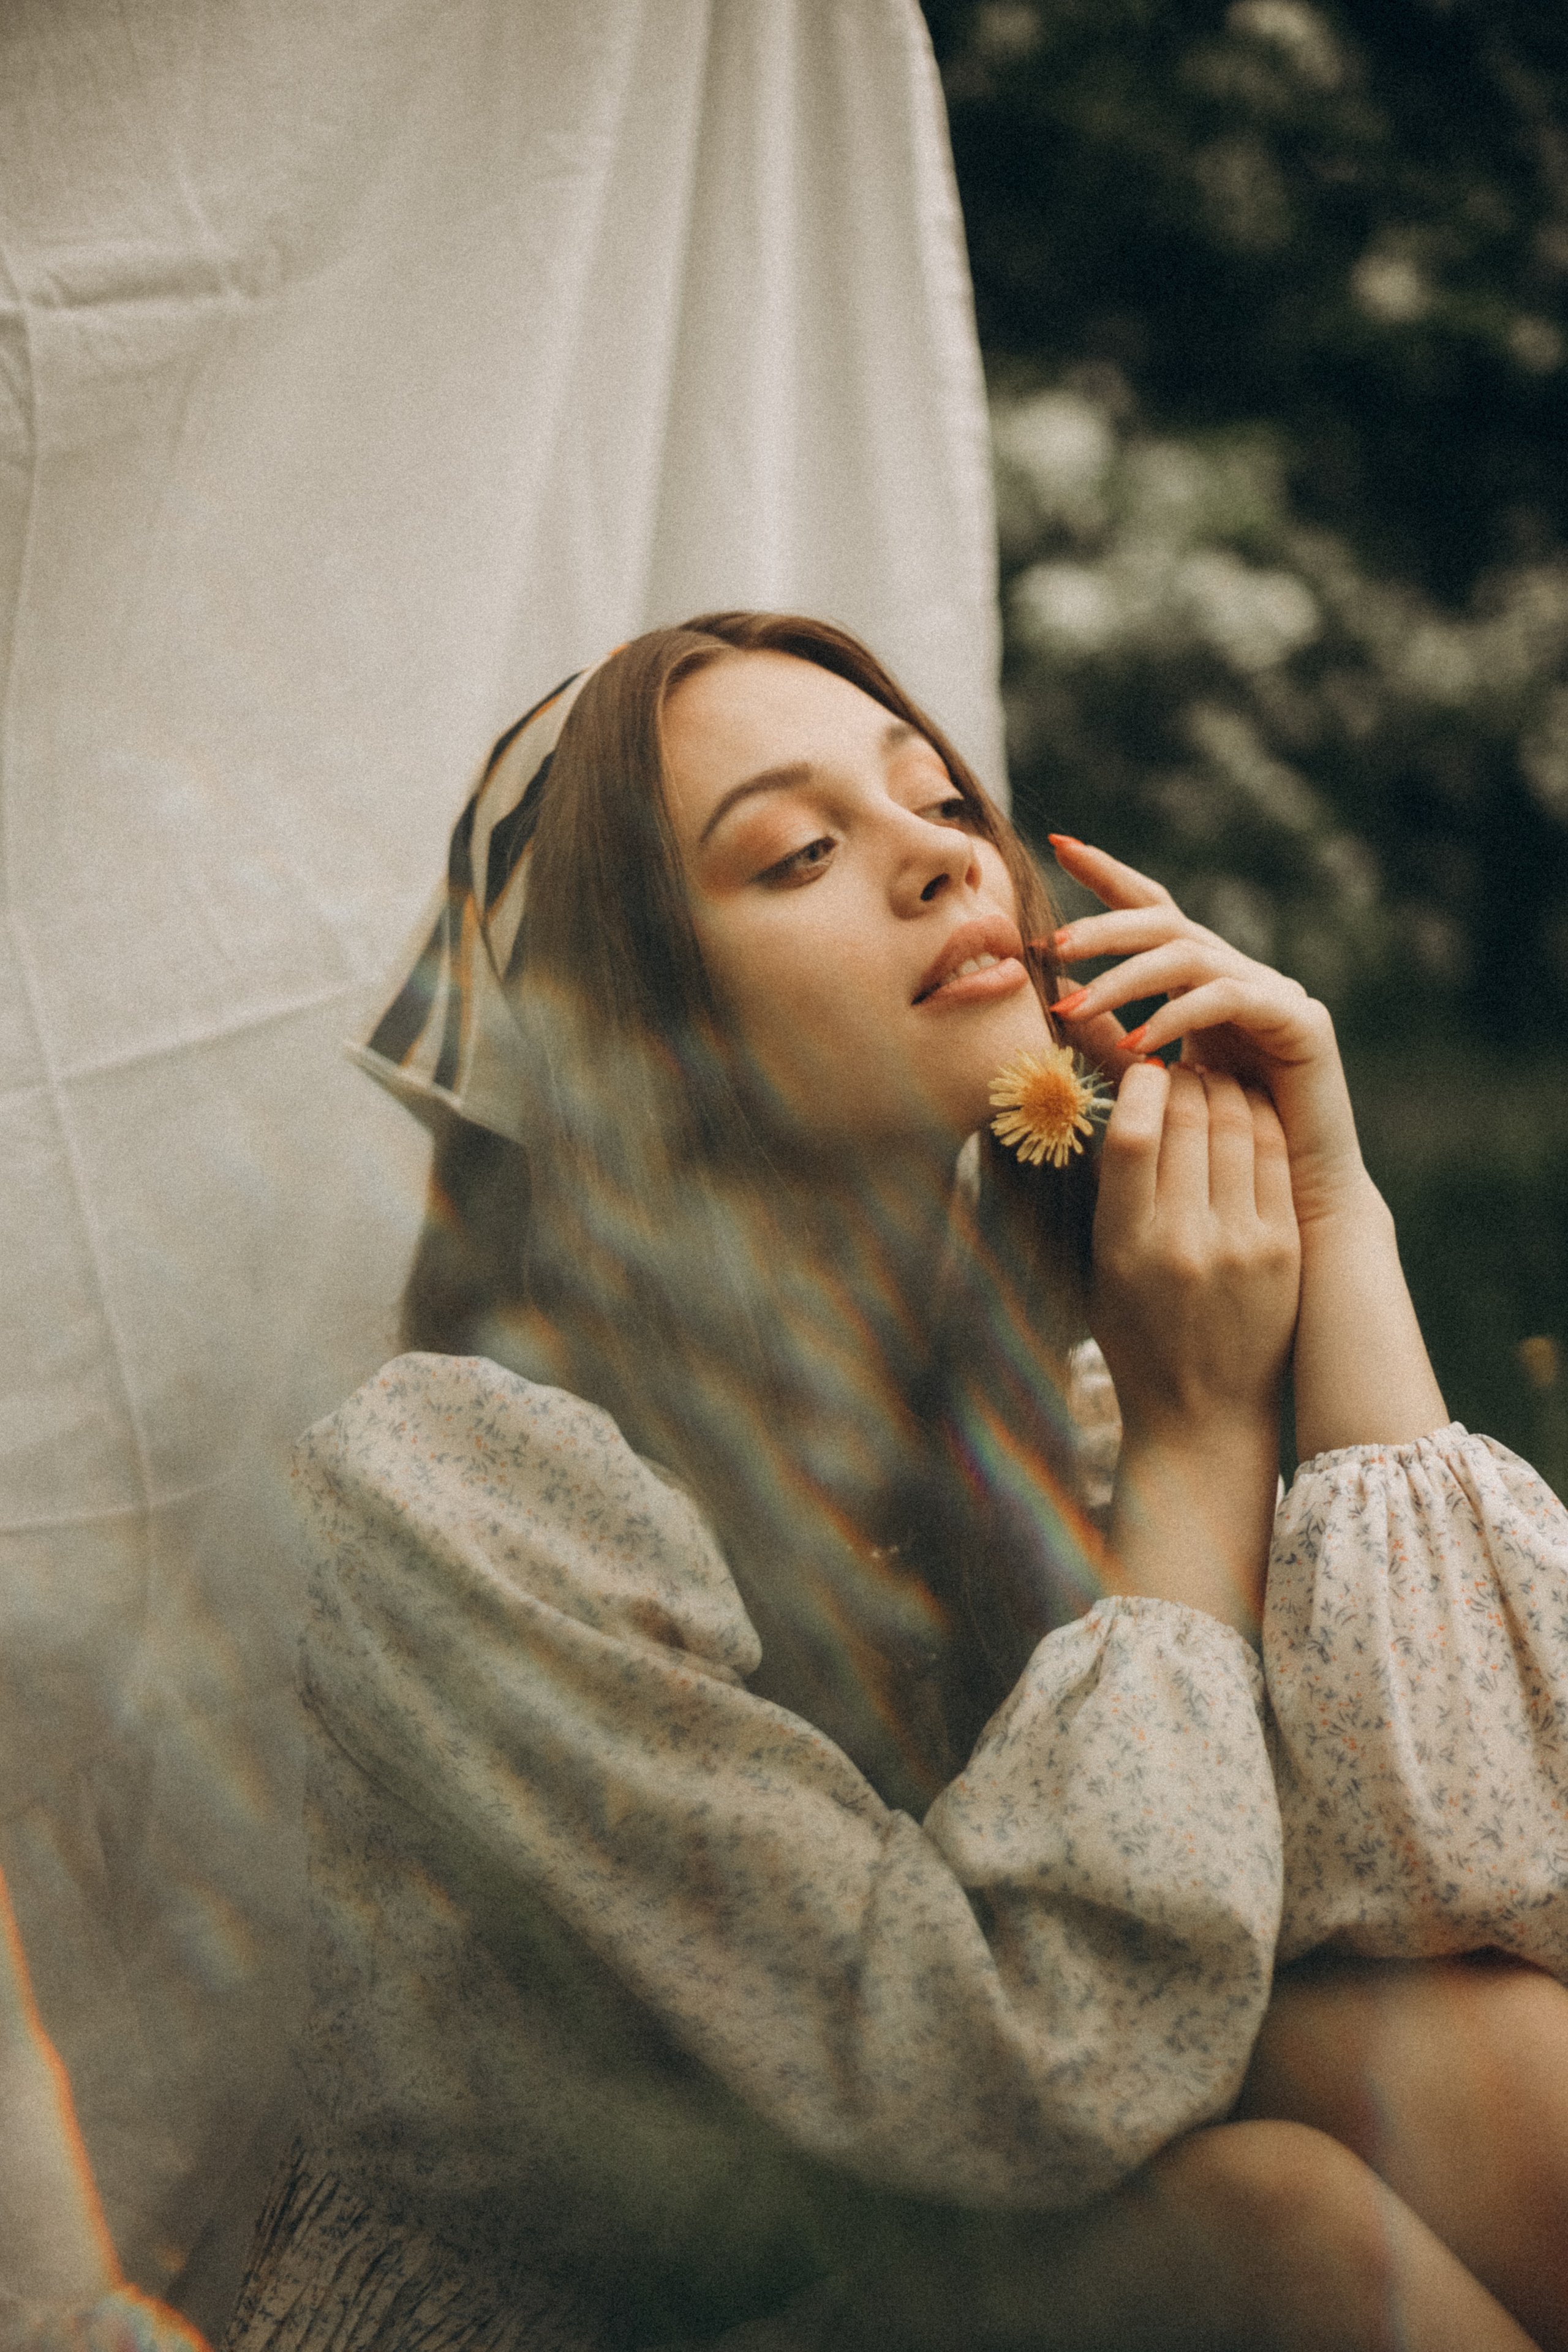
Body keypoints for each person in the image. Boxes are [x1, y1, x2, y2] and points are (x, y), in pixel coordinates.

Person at [225, 613, 1568, 2352]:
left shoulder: (1043, 1418)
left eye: (940, 800)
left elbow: (1477, 1878)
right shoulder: (463, 1494)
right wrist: (1204, 1445)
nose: (947, 854)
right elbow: (1005, 2072)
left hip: (930, 2257)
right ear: (632, 1042)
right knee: (1274, 2240)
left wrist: (1337, 1218)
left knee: (1472, 2056)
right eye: (798, 850)